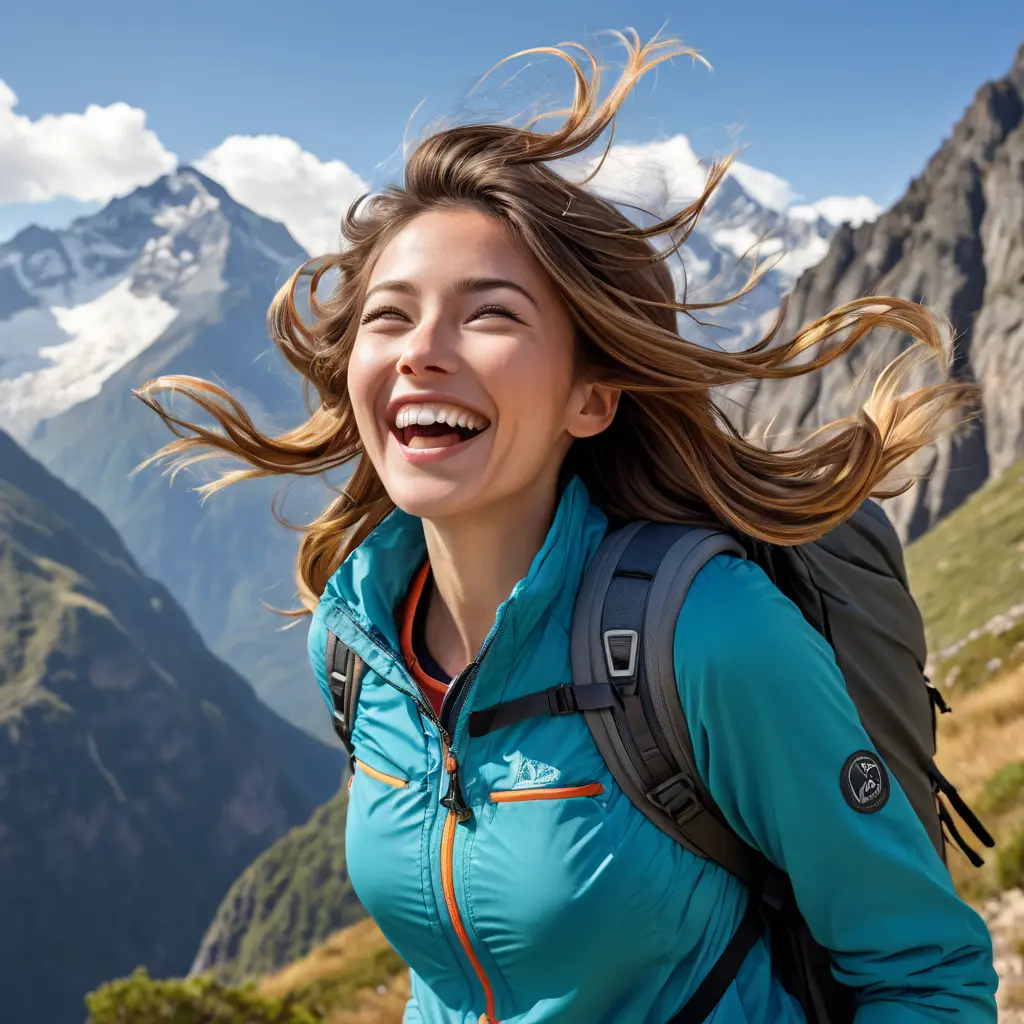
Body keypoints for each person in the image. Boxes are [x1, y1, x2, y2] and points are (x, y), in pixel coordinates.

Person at [137, 31, 997, 1024]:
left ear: (590, 398)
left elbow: (925, 975)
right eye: (389, 315)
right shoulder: (355, 636)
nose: (422, 351)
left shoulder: (705, 634)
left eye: (488, 315)